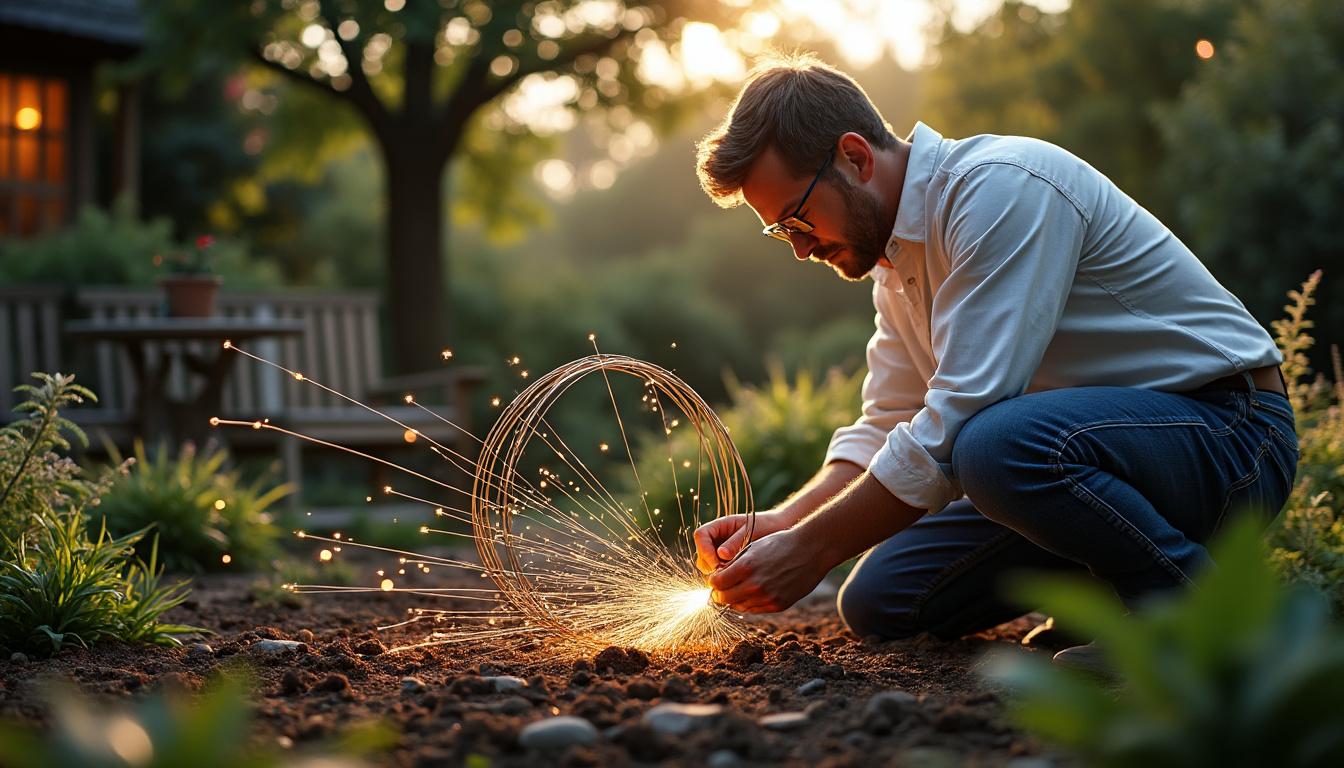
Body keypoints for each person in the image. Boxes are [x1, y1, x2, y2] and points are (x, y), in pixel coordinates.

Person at [690, 53, 1298, 669]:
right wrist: (788, 522)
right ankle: (1111, 589)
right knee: (882, 601)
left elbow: (960, 418)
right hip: (1096, 462)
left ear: (855, 157)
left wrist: (814, 550)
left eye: (796, 218)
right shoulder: (897, 268)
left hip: (1230, 435)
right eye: (780, 232)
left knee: (990, 445)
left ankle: (1191, 616)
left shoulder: (1000, 188)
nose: (798, 248)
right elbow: (887, 424)